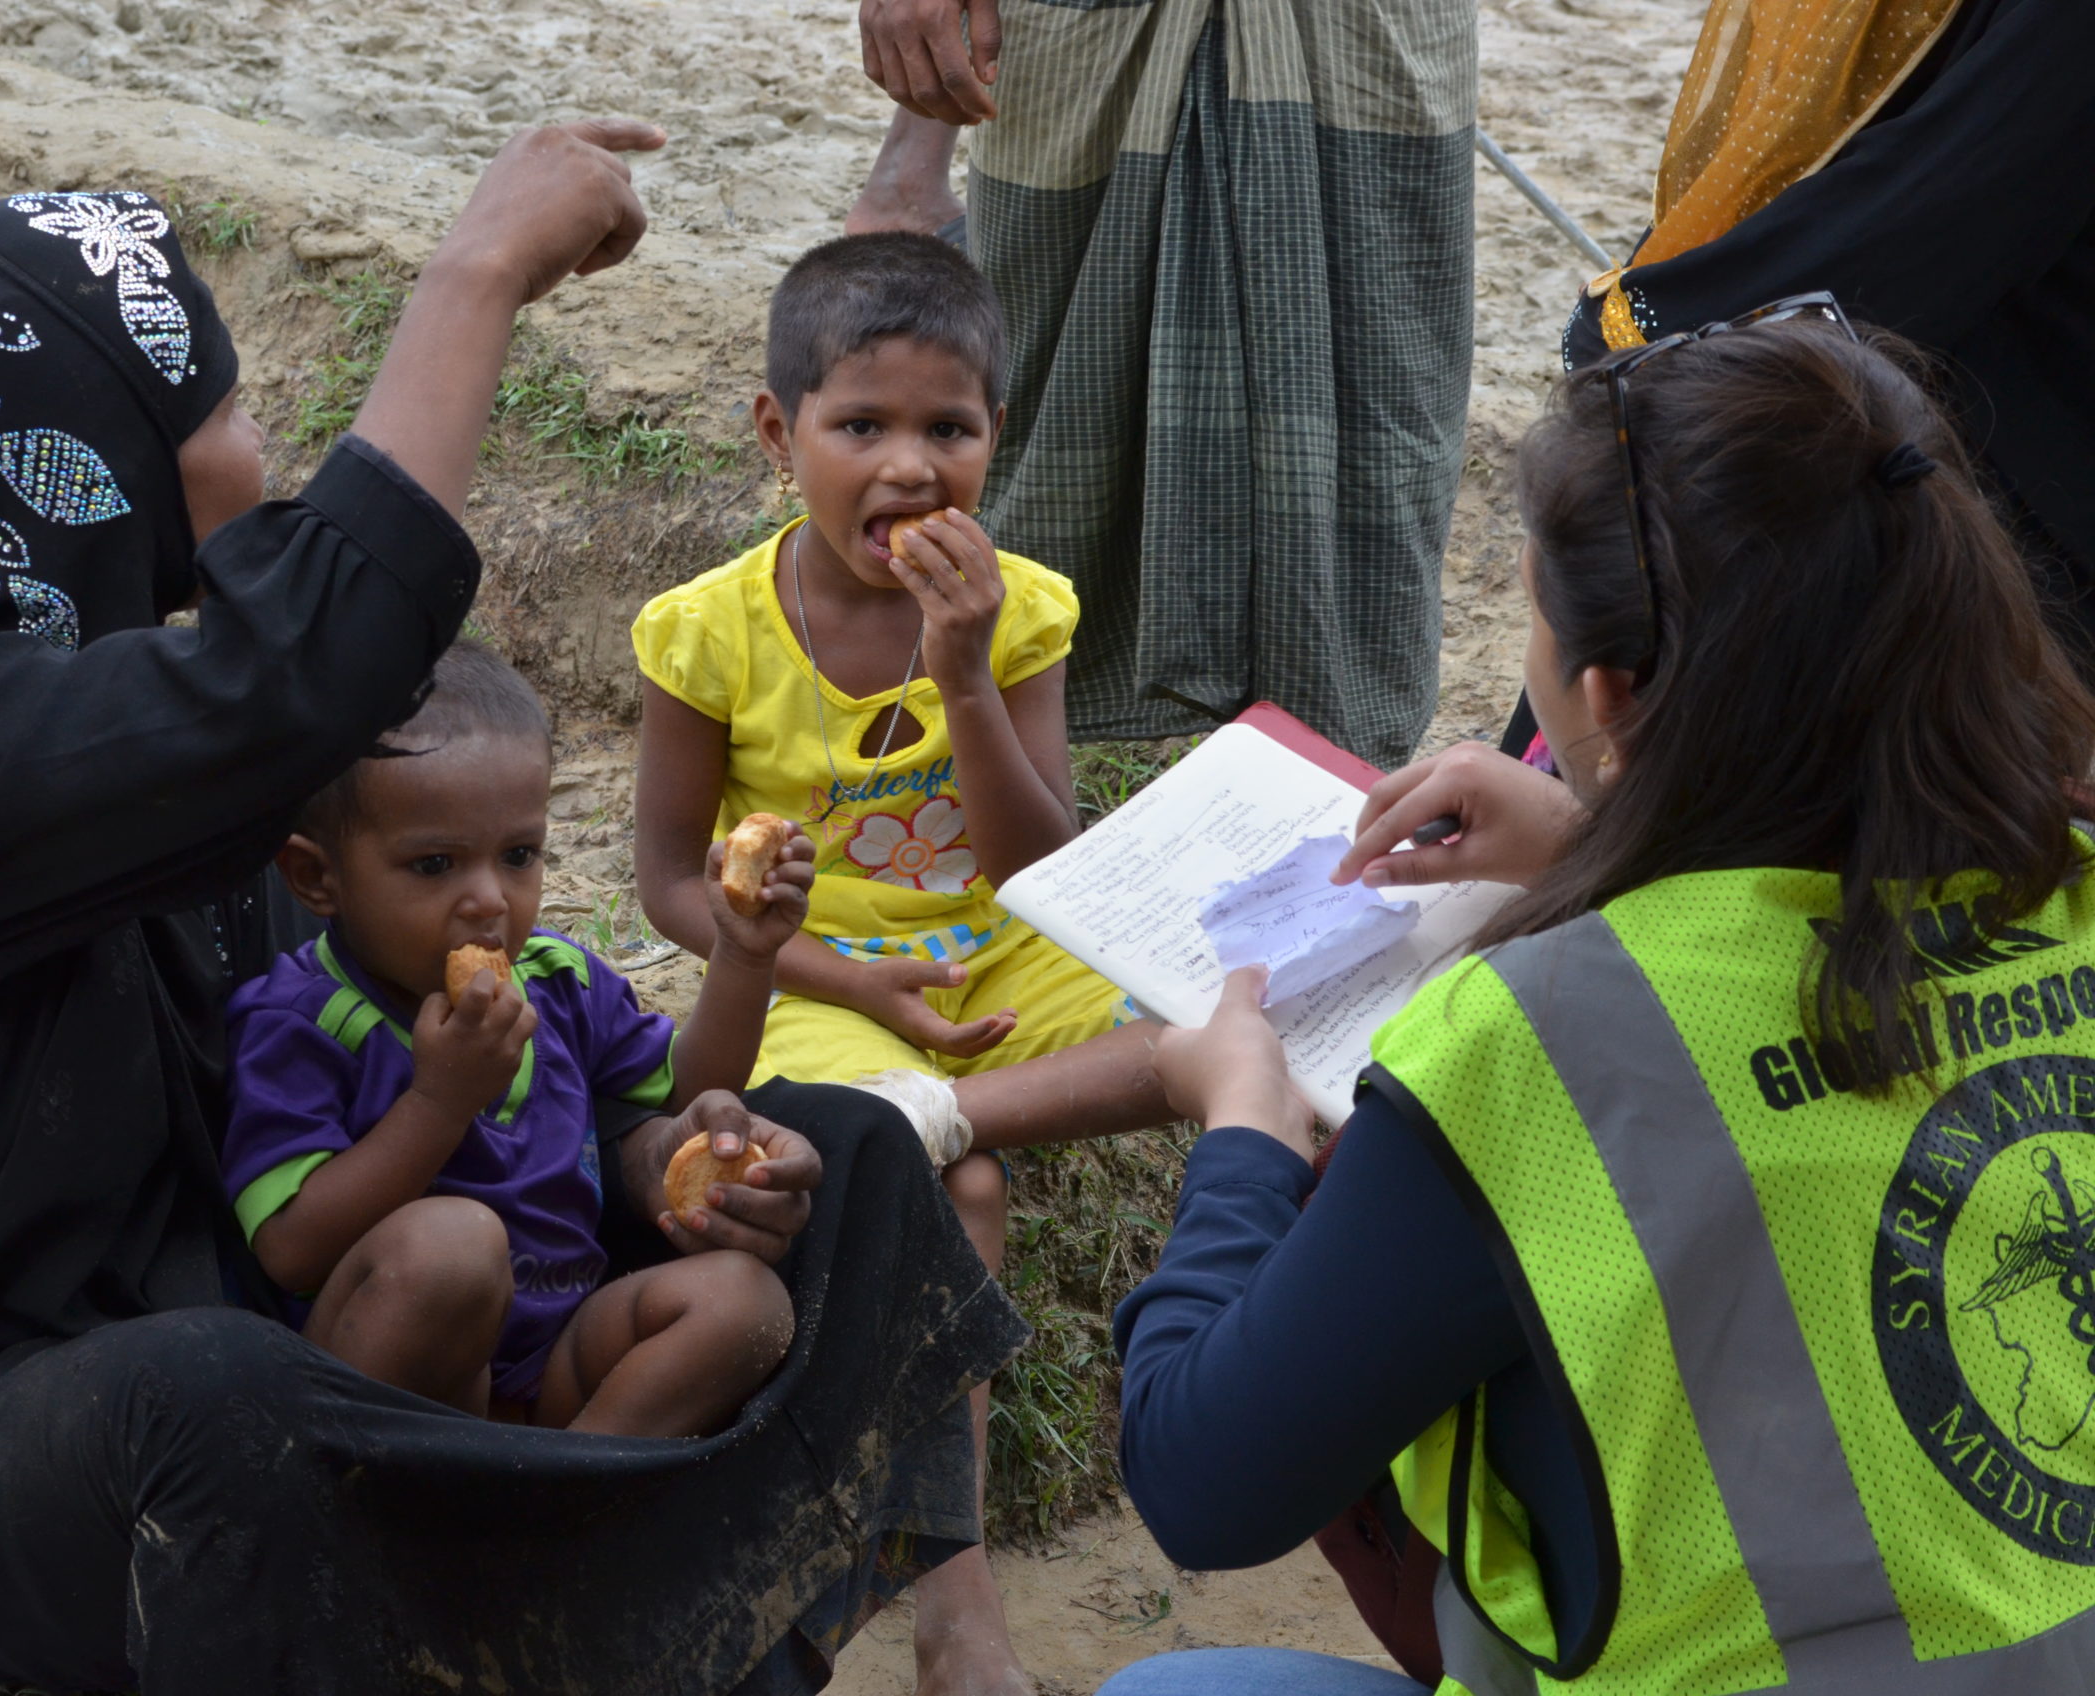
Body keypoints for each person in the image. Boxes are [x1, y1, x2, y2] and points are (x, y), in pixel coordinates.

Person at [0, 128, 1029, 1695]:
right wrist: (479, 273)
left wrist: (676, 1172)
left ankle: (606, 1616)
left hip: (295, 1328)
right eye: (226, 411)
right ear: (94, 461)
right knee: (210, 1399)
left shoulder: (127, 728)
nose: (259, 457)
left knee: (846, 1152)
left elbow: (468, 1069)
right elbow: (298, 672)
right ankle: (554, 1592)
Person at [1100, 307, 2095, 1694]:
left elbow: (1205, 1481)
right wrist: (1598, 841)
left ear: (1609, 691)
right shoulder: (2067, 886)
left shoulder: (1540, 1037)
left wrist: (1241, 1130)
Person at [633, 231, 1177, 1696]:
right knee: (966, 1192)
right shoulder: (706, 635)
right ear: (779, 432)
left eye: (950, 429)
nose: (910, 466)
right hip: (813, 976)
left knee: (1211, 1027)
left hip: (994, 948)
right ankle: (957, 1600)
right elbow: (671, 882)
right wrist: (842, 978)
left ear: (997, 433)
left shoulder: (1019, 610)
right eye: (861, 425)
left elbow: (1038, 866)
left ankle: (937, 1110)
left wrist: (965, 670)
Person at [852, 0, 1476, 764]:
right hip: (1088, 31)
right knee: (1037, 408)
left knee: (1366, 416)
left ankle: (1320, 805)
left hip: (1364, 34)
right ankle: (965, 762)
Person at [225, 640, 814, 1435]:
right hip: (394, 1386)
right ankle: (432, 1490)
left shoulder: (558, 979)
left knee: (744, 1301)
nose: (488, 900)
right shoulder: (300, 1021)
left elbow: (689, 1091)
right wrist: (440, 1102)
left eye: (518, 855)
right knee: (452, 1249)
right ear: (315, 878)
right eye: (434, 864)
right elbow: (290, 1249)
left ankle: (571, 1483)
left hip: (557, 1351)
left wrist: (743, 954)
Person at [1558, 0, 2095, 667]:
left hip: (1999, 432)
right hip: (1843, 359)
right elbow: (1796, 133)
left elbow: (1959, 191)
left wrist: (1656, 321)